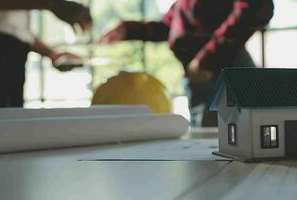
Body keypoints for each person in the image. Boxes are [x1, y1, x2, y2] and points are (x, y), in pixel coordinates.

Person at [99, 0, 274, 127]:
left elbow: (256, 6)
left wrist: (207, 59)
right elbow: (169, 28)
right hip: (203, 76)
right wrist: (128, 29)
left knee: (226, 146)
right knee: (212, 150)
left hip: (222, 72)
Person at [0, 0, 92, 107]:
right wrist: (50, 4)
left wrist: (52, 54)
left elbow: (19, 33)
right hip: (0, 60)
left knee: (12, 112)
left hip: (13, 61)